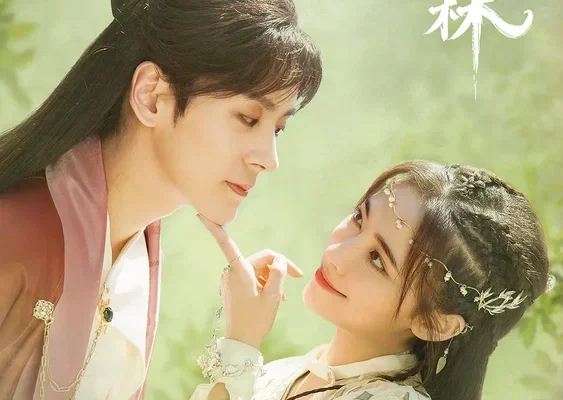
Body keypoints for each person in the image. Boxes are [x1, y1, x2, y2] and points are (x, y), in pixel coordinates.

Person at [0, 0, 322, 398]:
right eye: (248, 118)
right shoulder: (13, 236)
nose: (270, 159)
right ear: (152, 96)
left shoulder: (139, 256)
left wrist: (242, 341)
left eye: (277, 130)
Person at [193, 160, 555, 400]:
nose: (336, 254)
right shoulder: (288, 372)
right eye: (358, 219)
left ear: (436, 322)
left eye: (377, 260)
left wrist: (241, 344)